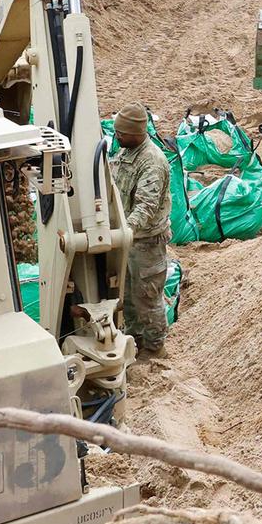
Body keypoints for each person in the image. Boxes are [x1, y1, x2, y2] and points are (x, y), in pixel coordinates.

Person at [111, 103, 170, 358]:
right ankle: (135, 342)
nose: (116, 137)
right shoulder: (127, 152)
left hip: (146, 243)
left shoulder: (152, 162)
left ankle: (155, 349)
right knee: (128, 298)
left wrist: (124, 231)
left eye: (121, 133)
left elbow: (145, 208)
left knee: (148, 299)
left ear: (136, 133)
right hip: (130, 241)